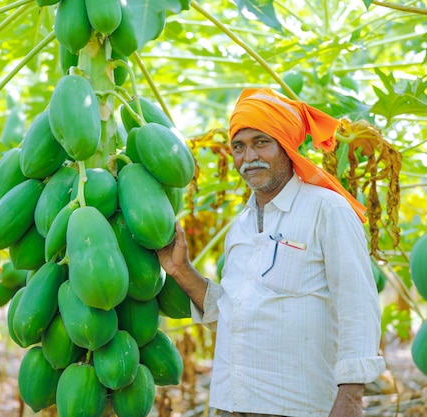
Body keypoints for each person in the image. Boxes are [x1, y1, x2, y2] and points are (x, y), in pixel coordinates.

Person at [157, 88, 386, 417]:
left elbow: (358, 307)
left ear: (286, 146)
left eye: (261, 142)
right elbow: (232, 316)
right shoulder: (241, 226)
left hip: (297, 406)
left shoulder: (327, 209)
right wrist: (180, 270)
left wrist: (350, 398)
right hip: (232, 404)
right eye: (239, 147)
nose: (248, 158)